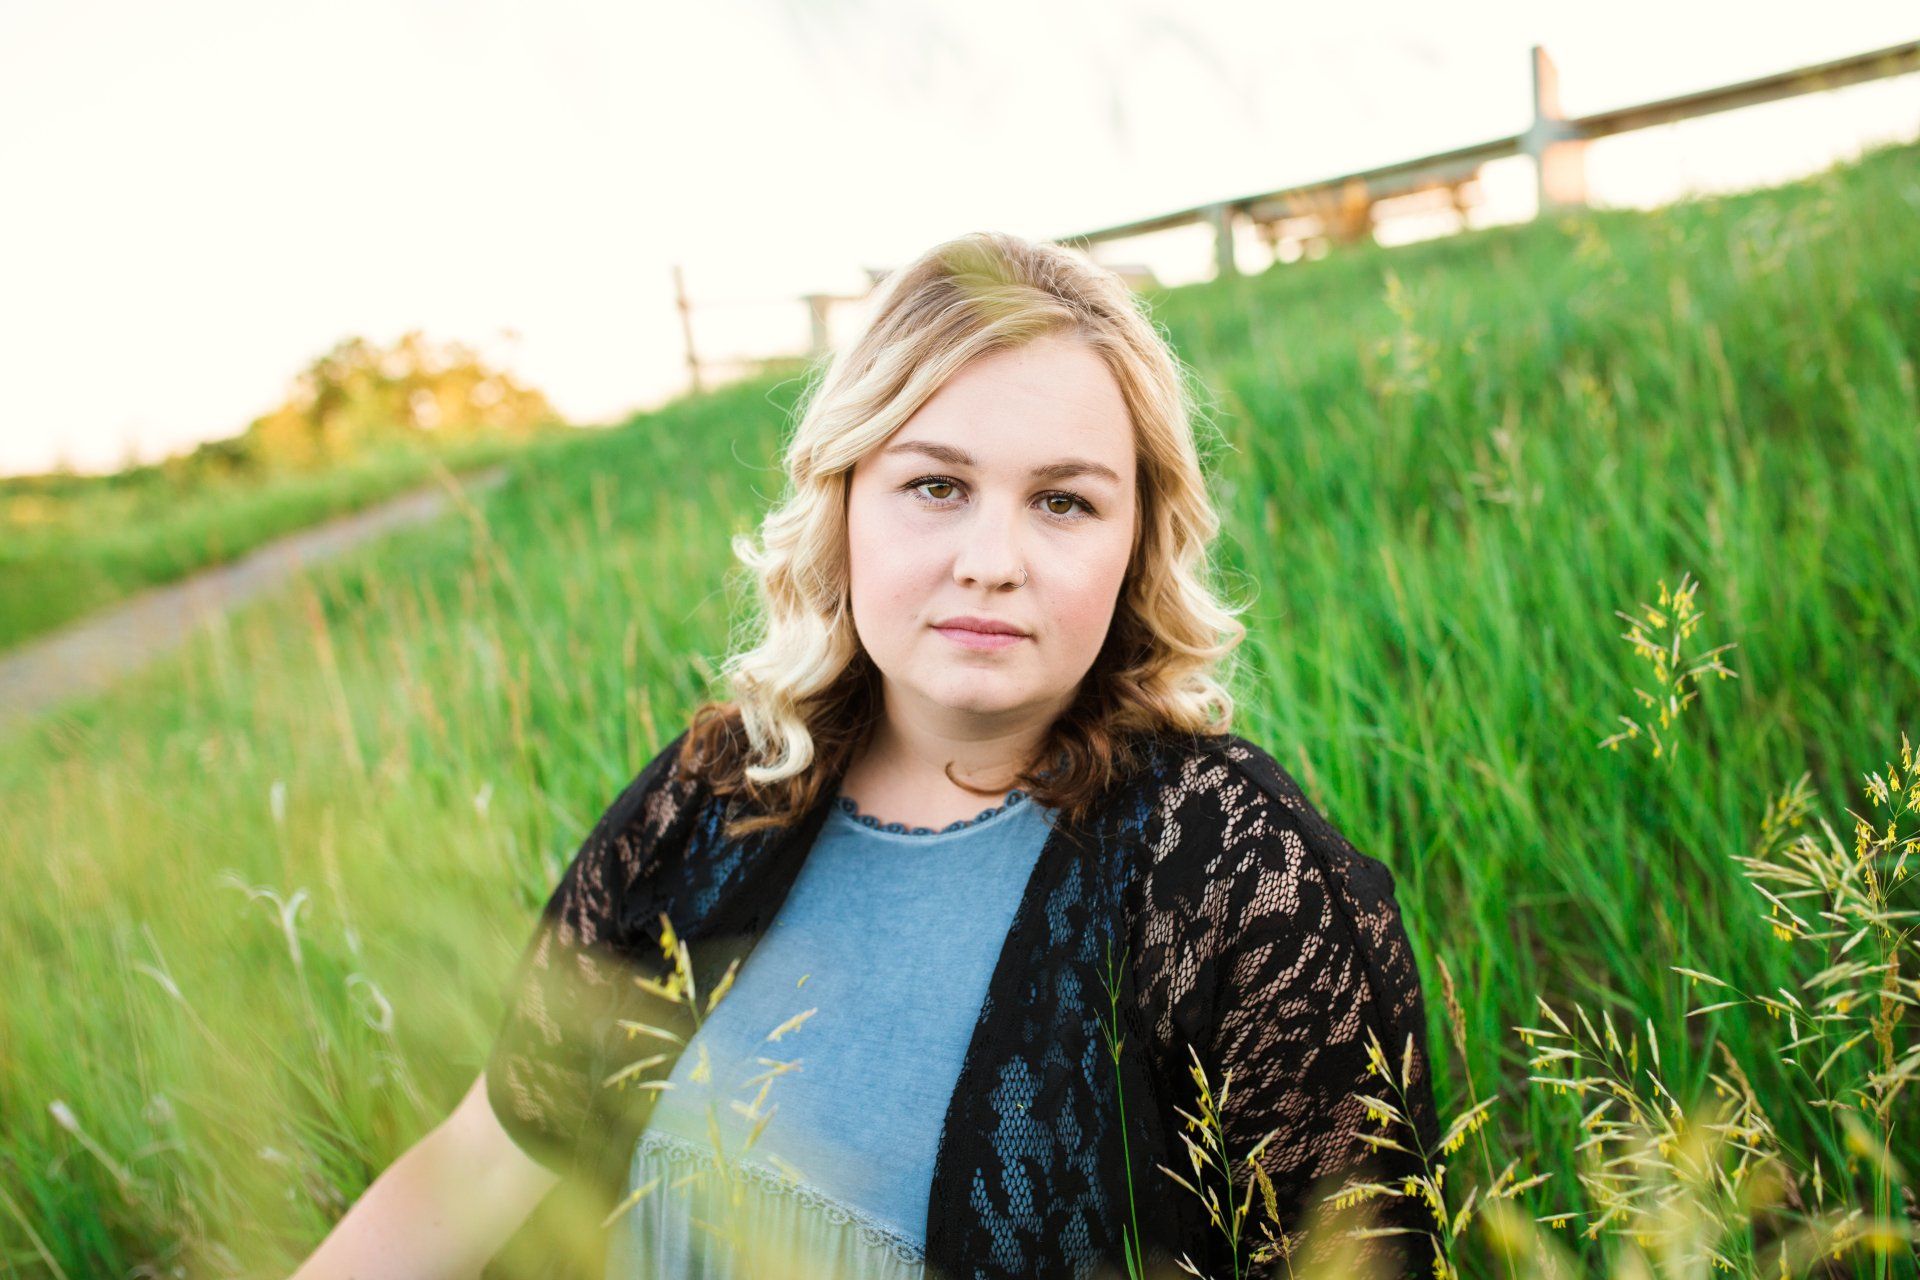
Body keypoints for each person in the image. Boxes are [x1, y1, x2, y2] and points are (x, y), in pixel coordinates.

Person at [288, 231, 1441, 1280]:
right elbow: (488, 1157)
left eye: (1063, 502)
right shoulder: (721, 790)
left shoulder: (1235, 869)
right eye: (936, 485)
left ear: (1138, 538)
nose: (993, 559)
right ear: (843, 503)